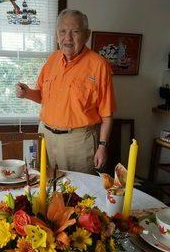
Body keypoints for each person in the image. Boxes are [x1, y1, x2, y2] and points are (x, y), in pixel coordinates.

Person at [16, 9, 116, 173]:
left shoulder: (99, 65)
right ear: (56, 35)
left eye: (75, 32)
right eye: (62, 31)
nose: (68, 38)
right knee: (45, 188)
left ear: (86, 34)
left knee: (78, 193)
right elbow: (42, 96)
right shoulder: (52, 60)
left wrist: (102, 146)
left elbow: (107, 115)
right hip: (45, 136)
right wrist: (27, 93)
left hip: (78, 141)